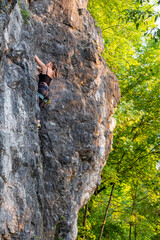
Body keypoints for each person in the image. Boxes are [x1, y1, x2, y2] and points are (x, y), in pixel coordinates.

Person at [35, 55, 58, 129]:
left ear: (50, 64)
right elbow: (39, 69)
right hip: (47, 93)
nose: (47, 63)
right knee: (39, 108)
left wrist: (32, 54)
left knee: (35, 105)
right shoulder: (53, 73)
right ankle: (38, 124)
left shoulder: (45, 68)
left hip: (42, 89)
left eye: (49, 63)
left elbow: (36, 59)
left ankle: (33, 122)